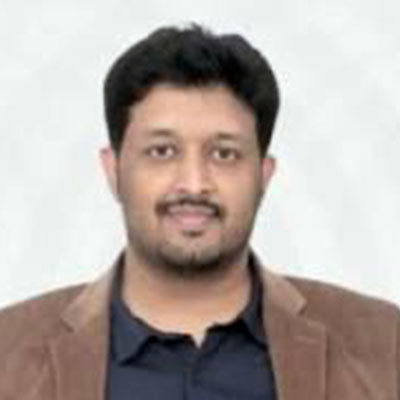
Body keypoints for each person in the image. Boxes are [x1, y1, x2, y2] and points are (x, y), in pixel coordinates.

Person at [0, 24, 399, 400]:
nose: (193, 184)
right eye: (162, 151)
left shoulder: (384, 345)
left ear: (263, 175)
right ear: (114, 170)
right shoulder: (9, 354)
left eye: (224, 154)